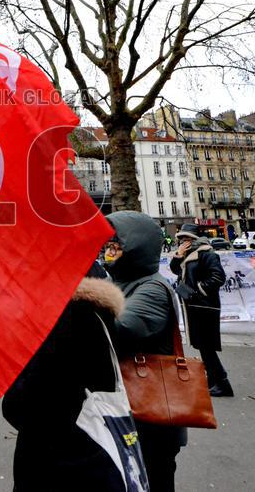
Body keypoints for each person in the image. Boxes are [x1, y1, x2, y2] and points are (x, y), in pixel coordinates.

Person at [2, 271, 131, 490]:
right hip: (96, 450)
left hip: (57, 462)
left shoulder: (63, 320)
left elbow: (21, 406)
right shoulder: (100, 312)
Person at [104, 210, 187, 492]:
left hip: (152, 413)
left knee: (155, 477)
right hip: (132, 408)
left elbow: (123, 329)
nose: (110, 250)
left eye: (117, 244)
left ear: (135, 246)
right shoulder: (121, 281)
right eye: (109, 244)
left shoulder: (152, 287)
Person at [170, 223, 231, 397]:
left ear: (193, 239)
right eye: (180, 239)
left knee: (207, 345)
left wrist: (197, 290)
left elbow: (218, 277)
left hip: (204, 305)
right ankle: (213, 379)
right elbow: (176, 270)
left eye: (185, 238)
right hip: (193, 305)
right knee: (202, 345)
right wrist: (178, 255)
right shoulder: (189, 254)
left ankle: (222, 382)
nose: (182, 242)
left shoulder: (206, 253)